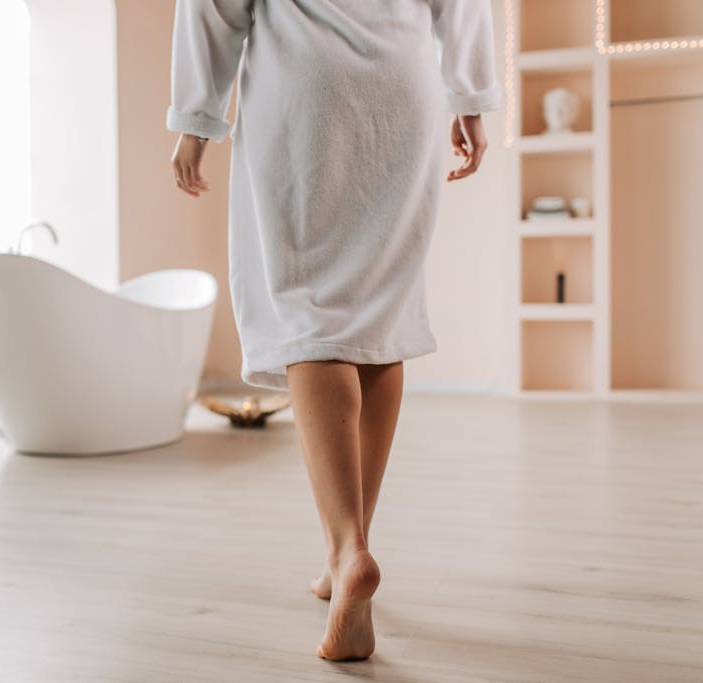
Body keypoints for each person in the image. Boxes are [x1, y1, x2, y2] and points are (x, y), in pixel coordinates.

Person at [166, 0, 502, 662]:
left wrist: (195, 118)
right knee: (381, 314)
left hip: (304, 89)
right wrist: (470, 96)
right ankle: (344, 552)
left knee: (309, 311)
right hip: (405, 88)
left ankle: (349, 549)